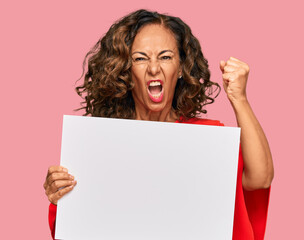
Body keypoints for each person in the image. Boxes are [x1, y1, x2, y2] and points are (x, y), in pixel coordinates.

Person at [43, 9, 274, 240]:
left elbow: (260, 178)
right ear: (126, 70)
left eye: (165, 57)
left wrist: (239, 98)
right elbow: (78, 227)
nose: (154, 68)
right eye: (140, 58)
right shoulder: (98, 145)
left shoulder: (208, 140)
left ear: (181, 67)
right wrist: (59, 195)